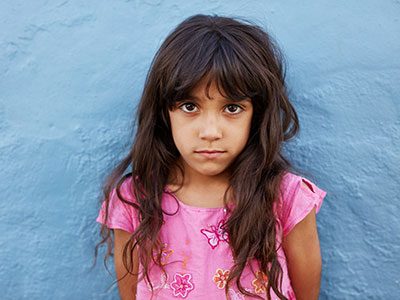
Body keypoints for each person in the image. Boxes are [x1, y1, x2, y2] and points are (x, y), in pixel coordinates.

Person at [95, 14, 327, 300]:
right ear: (165, 112)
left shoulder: (286, 199)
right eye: (190, 106)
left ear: (257, 114)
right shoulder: (135, 200)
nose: (210, 132)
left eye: (232, 108)